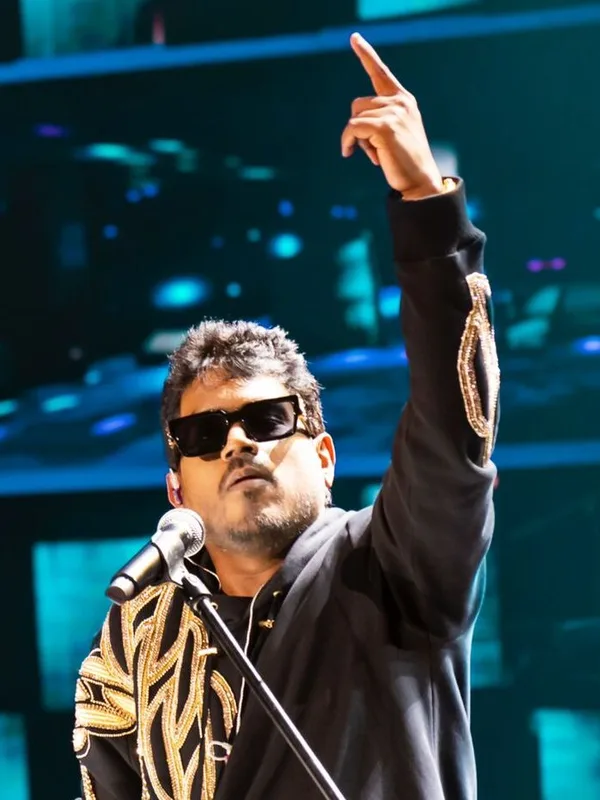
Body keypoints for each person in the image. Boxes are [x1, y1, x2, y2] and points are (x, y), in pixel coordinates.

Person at [73, 32, 500, 800]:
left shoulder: (396, 567)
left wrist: (426, 204)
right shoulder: (136, 636)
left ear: (325, 456)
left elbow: (452, 426)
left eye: (268, 420)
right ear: (176, 489)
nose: (237, 441)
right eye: (204, 434)